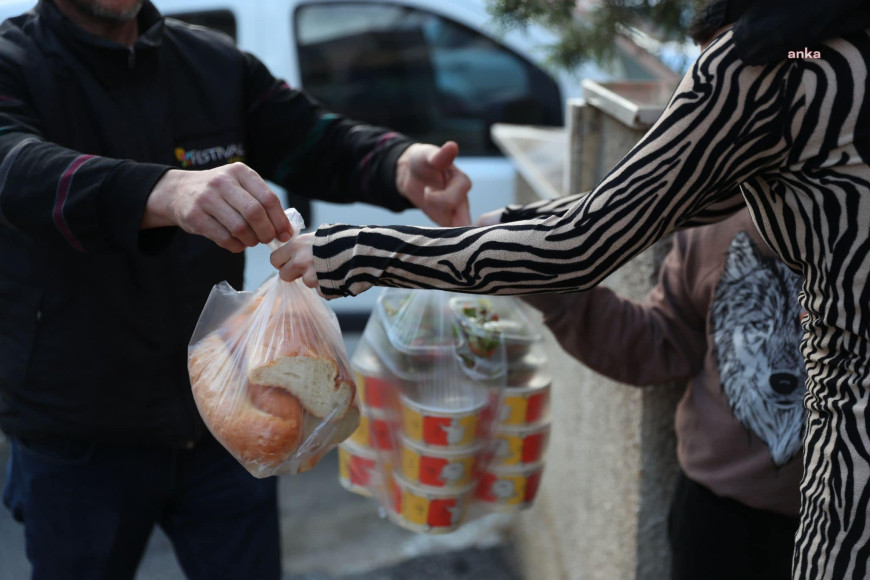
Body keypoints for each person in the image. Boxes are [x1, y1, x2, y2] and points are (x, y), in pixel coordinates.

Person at [272, 1, 870, 576]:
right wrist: (507, 228)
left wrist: (356, 253)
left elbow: (582, 243)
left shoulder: (772, 61)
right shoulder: (814, 51)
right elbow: (652, 205)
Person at [0, 1, 471, 579]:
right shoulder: (13, 64)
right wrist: (163, 191)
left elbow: (317, 139)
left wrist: (397, 163)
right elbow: (18, 170)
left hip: (231, 417)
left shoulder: (210, 62)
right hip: (77, 438)